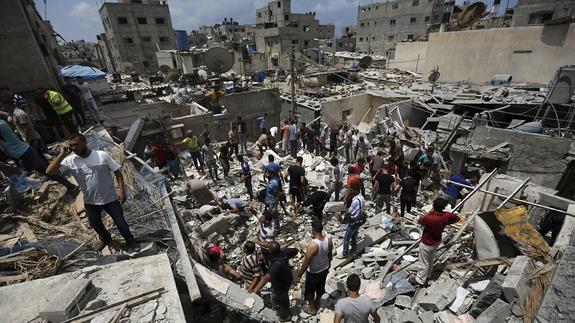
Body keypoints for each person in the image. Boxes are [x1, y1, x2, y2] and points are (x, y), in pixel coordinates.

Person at [46, 134, 138, 251]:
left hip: (110, 198)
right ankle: (106, 239)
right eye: (71, 146)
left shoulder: (102, 155)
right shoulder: (70, 161)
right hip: (90, 201)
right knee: (95, 224)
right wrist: (62, 154)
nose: (74, 148)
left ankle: (131, 241)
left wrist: (122, 191)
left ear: (85, 143)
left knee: (121, 223)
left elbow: (118, 173)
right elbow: (49, 172)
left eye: (76, 145)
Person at [0, 119, 77, 192]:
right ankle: (69, 185)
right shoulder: (2, 122)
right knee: (43, 170)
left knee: (48, 171)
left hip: (25, 153)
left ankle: (71, 186)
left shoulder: (1, 124)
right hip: (22, 153)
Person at [412, 198, 460, 285]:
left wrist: (430, 212)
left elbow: (420, 221)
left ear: (434, 206)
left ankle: (420, 280)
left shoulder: (429, 217)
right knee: (430, 260)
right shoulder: (447, 215)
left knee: (423, 262)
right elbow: (457, 218)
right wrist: (446, 223)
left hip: (426, 242)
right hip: (436, 241)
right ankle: (428, 275)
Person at [294, 220, 333, 315]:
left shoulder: (313, 245)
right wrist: (328, 266)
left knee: (310, 291)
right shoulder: (328, 240)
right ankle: (317, 302)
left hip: (314, 272)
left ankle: (312, 309)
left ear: (313, 229)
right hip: (325, 268)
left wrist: (299, 275)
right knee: (320, 287)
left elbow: (306, 263)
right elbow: (330, 255)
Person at [252, 241, 298, 322]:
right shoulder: (284, 252)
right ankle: (286, 310)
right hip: (287, 278)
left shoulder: (277, 264)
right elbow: (296, 250)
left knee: (278, 298)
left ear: (270, 251)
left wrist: (255, 291)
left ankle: (284, 317)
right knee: (283, 296)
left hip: (280, 284)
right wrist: (258, 242)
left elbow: (266, 278)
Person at [340, 188, 365, 258]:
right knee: (354, 236)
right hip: (359, 220)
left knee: (346, 238)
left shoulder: (355, 201)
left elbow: (348, 211)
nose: (350, 191)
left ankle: (345, 253)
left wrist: (346, 201)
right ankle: (354, 250)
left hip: (353, 221)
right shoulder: (361, 197)